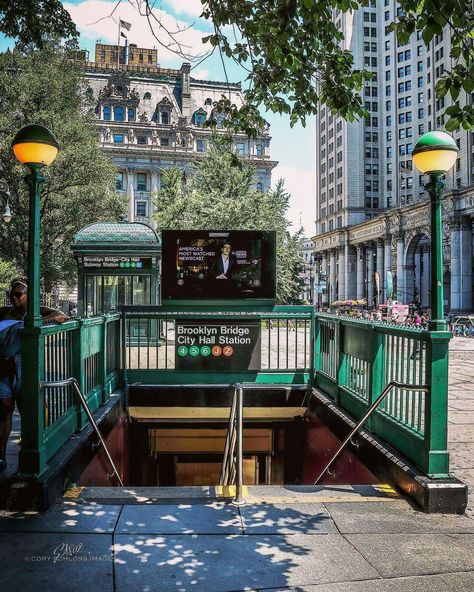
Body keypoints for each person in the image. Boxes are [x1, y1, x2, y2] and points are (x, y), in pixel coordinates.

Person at [0, 279, 67, 473]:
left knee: (27, 408)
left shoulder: (36, 311)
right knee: (3, 410)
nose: (14, 298)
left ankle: (30, 451)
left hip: (25, 366)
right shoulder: (4, 312)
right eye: (11, 294)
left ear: (28, 295)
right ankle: (2, 455)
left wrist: (31, 324)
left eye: (18, 294)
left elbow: (61, 316)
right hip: (3, 365)